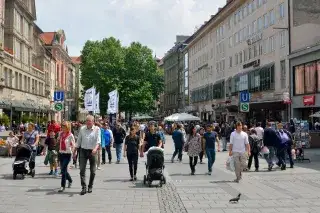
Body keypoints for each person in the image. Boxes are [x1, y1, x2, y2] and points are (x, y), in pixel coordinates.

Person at [74, 115, 101, 195]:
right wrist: (74, 150)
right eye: (87, 121)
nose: (88, 122)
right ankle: (84, 187)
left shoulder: (97, 129)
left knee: (93, 171)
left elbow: (98, 141)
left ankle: (90, 186)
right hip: (83, 151)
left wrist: (95, 149)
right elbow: (78, 141)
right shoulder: (82, 129)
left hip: (93, 151)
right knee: (82, 170)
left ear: (93, 122)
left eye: (90, 121)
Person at [58, 121, 76, 192]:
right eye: (62, 126)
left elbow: (74, 145)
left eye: (64, 126)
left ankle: (62, 186)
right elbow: (58, 141)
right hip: (61, 153)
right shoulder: (60, 134)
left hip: (67, 154)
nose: (63, 127)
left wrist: (74, 152)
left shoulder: (70, 135)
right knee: (63, 169)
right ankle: (70, 180)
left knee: (63, 170)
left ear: (68, 127)